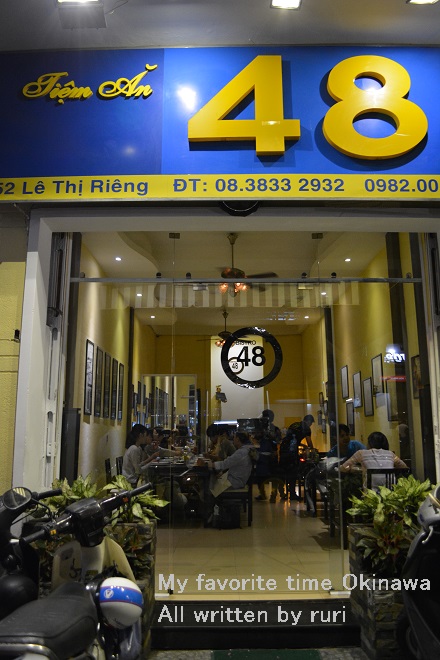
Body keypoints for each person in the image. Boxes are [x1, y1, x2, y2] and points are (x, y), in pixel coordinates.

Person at [339, 430, 408, 487]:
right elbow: (404, 467)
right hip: (387, 493)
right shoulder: (390, 454)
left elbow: (343, 468)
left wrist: (356, 469)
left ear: (370, 443)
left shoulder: (361, 453)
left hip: (369, 495)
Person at [254, 410, 282, 502]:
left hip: (271, 455)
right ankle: (263, 494)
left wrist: (271, 437)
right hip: (262, 455)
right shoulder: (260, 429)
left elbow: (278, 441)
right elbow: (256, 439)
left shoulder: (275, 429)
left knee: (273, 476)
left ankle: (273, 495)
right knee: (260, 477)